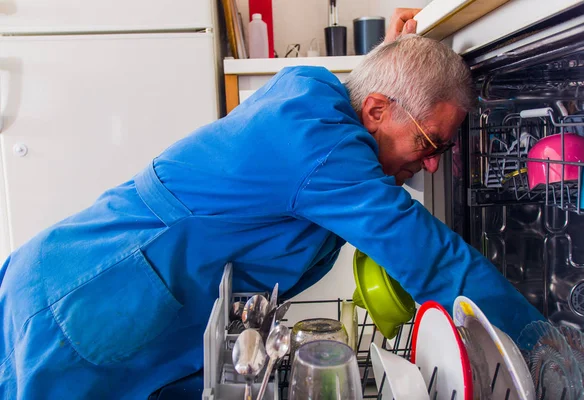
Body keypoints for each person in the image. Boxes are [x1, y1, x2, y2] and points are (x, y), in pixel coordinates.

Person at [0, 9, 543, 399]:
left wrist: (402, 58)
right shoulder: (322, 147)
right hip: (88, 300)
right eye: (432, 144)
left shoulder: (317, 97)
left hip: (84, 279)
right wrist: (543, 348)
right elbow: (434, 259)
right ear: (376, 109)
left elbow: (382, 113)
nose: (431, 164)